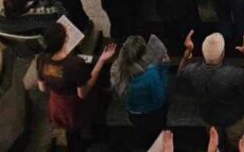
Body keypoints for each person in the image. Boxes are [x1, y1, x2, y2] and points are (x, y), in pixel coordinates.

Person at [35, 22, 117, 152]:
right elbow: (82, 93)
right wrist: (101, 60)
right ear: (65, 40)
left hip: (57, 104)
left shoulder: (41, 59)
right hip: (74, 106)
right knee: (92, 116)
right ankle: (98, 138)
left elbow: (42, 88)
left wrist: (57, 84)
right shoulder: (74, 64)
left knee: (72, 132)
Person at [178, 30, 244, 148]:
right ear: (222, 54)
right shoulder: (233, 74)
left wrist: (188, 53)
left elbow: (180, 73)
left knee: (214, 142)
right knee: (238, 142)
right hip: (233, 118)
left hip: (209, 117)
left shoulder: (193, 71)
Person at [110, 34, 170, 149]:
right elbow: (160, 99)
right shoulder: (150, 75)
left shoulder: (116, 69)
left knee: (142, 134)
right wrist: (164, 68)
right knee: (155, 137)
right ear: (142, 55)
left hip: (133, 113)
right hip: (153, 114)